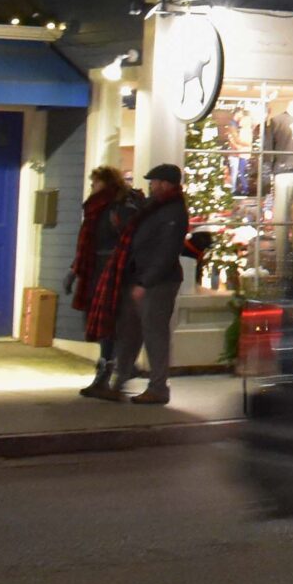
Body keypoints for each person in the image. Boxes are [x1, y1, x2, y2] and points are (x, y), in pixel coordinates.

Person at [111, 163, 189, 406]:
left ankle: (158, 387)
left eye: (154, 182)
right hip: (140, 277)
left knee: (154, 333)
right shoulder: (155, 207)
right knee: (129, 331)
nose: (151, 186)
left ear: (165, 184)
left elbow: (166, 251)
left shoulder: (173, 211)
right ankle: (120, 379)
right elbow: (140, 237)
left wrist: (146, 281)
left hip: (158, 282)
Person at [65, 165, 137, 399]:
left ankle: (109, 375)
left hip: (113, 272)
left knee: (110, 326)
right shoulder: (96, 208)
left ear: (106, 183)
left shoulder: (117, 207)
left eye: (95, 182)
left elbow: (127, 240)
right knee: (99, 325)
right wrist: (74, 271)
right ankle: (105, 375)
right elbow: (86, 245)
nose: (92, 186)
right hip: (96, 271)